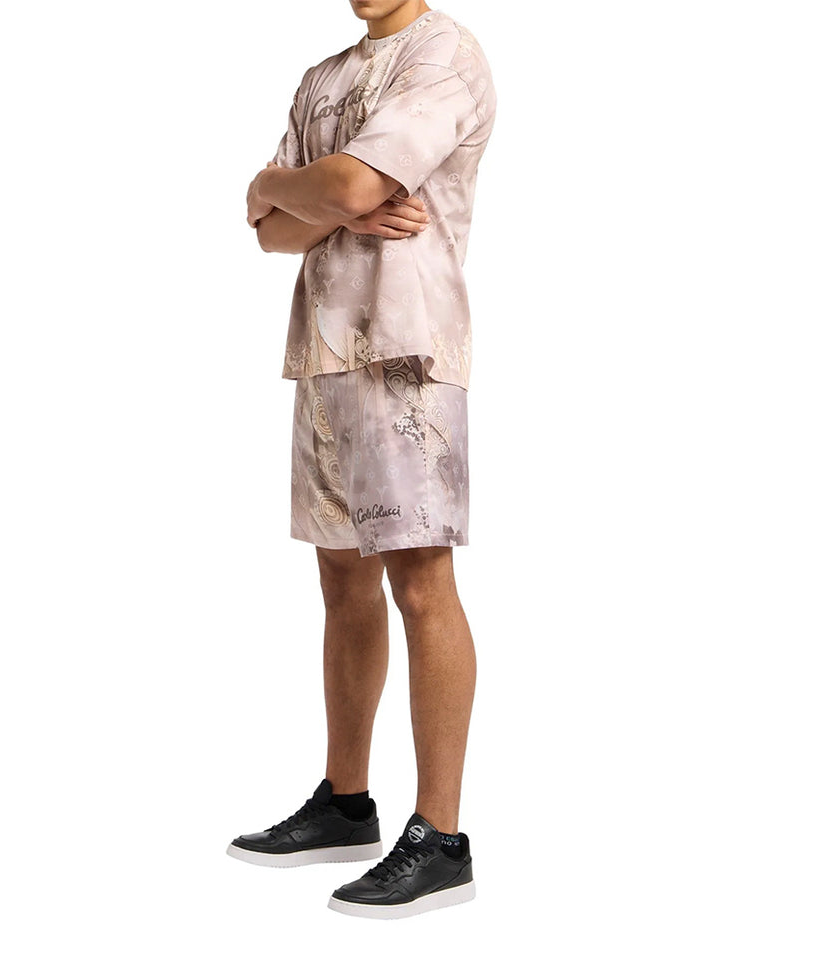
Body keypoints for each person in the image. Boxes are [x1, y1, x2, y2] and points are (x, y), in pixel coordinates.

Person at [235, 1, 496, 919]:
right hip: (323, 351)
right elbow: (267, 228)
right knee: (341, 580)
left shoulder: (444, 55)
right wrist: (281, 187)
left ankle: (441, 838)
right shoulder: (322, 78)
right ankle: (346, 803)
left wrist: (299, 191)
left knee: (420, 583)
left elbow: (338, 191)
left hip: (405, 352)